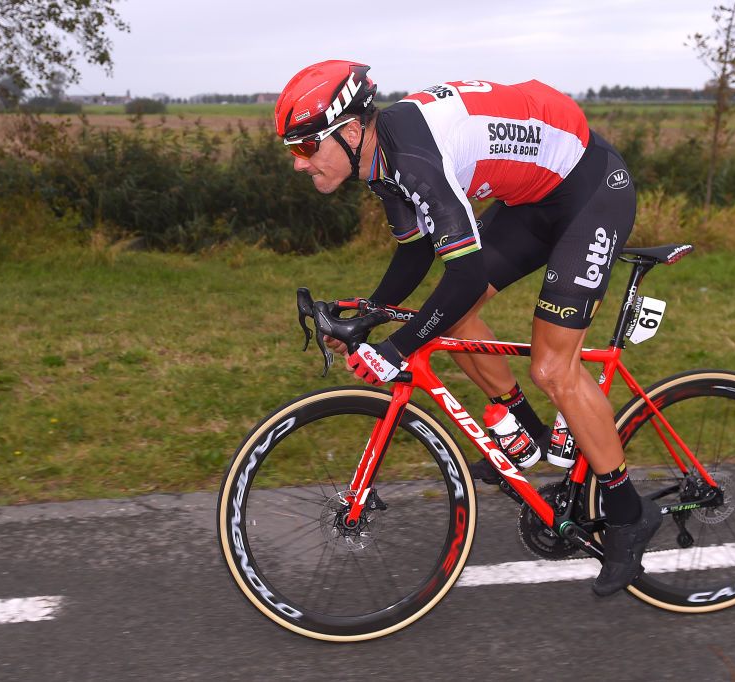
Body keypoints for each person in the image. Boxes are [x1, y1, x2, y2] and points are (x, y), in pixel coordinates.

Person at [274, 60, 660, 596]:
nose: (299, 164)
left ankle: (628, 512)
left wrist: (395, 350)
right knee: (449, 315)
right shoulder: (381, 161)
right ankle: (528, 433)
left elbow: (465, 273)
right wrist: (368, 313)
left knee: (554, 366)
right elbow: (414, 255)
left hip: (591, 191)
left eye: (305, 147)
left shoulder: (412, 156)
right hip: (533, 200)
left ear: (352, 130)